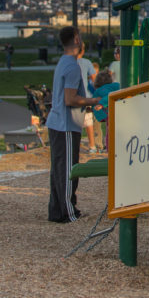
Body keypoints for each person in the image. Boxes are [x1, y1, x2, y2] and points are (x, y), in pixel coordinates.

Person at [47, 26, 103, 223]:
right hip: (66, 125)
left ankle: (55, 211)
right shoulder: (72, 66)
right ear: (77, 39)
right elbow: (70, 99)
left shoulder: (63, 62)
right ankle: (68, 212)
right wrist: (93, 102)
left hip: (57, 123)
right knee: (68, 169)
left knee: (58, 168)